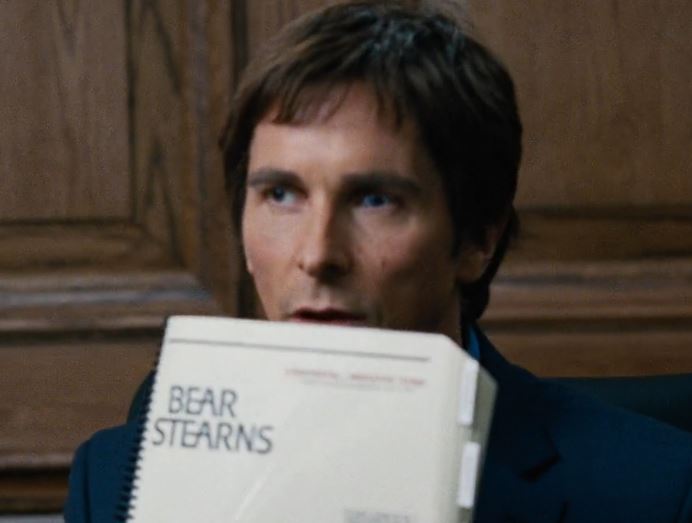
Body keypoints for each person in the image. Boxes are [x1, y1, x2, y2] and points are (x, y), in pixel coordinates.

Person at [65, 2, 692, 522]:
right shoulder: (112, 483)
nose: (317, 255)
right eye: (280, 194)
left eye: (374, 199)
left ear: (477, 239)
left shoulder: (658, 490)